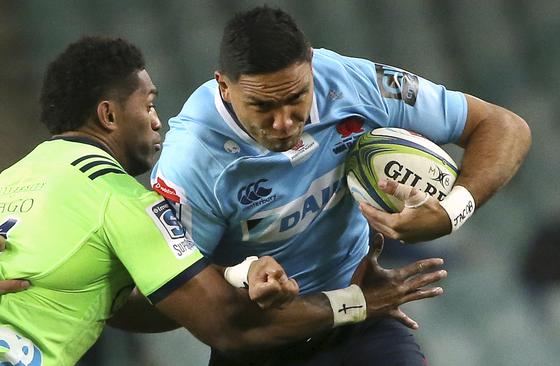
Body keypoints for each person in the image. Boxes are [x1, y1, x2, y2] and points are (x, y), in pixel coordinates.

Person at [0, 36, 448, 366]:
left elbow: (152, 295)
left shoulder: (13, 179)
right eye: (149, 104)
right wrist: (359, 302)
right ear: (109, 115)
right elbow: (227, 325)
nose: (158, 123)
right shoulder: (121, 199)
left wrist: (240, 269)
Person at [151, 6, 531, 365]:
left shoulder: (351, 83)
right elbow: (175, 291)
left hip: (362, 322)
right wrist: (242, 273)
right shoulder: (193, 161)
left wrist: (451, 212)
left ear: (312, 66)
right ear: (224, 87)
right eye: (263, 107)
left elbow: (504, 127)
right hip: (263, 340)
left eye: (296, 97)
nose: (284, 122)